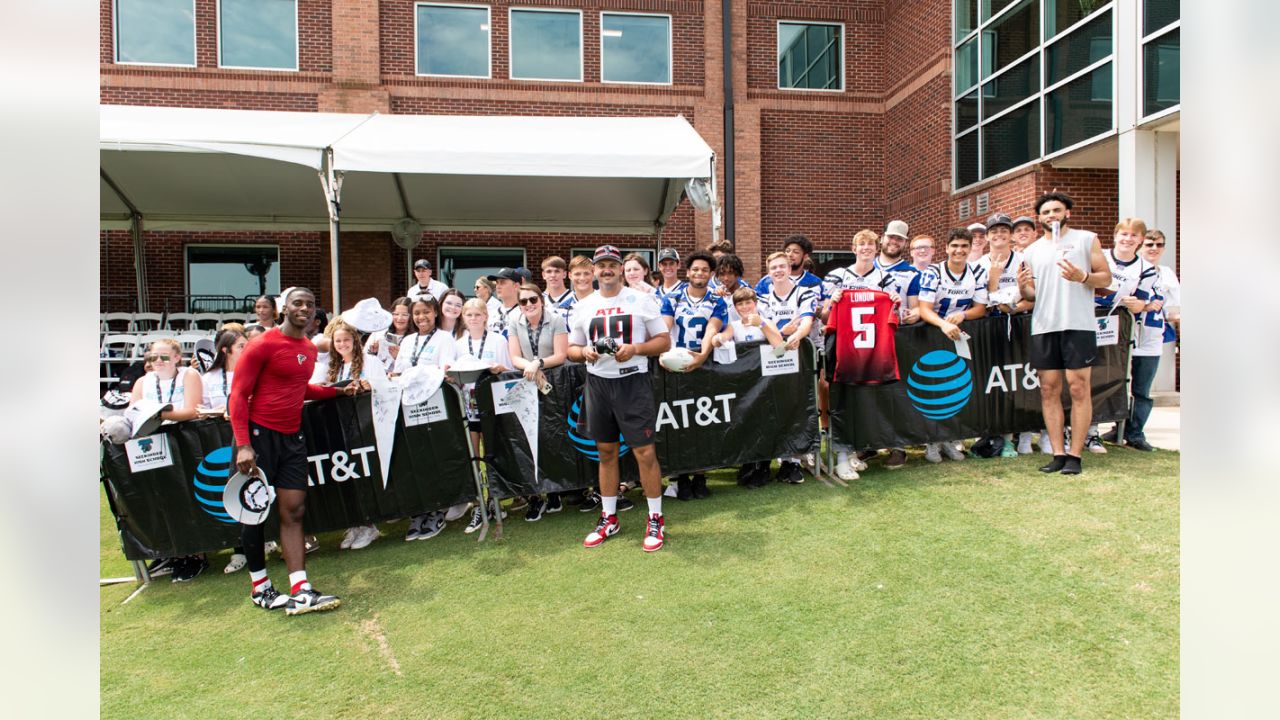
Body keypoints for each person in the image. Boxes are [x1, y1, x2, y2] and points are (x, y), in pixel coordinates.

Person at [229, 287, 359, 614]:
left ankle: (300, 588)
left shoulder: (309, 349)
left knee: (294, 511)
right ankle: (260, 587)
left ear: (316, 313)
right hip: (258, 439)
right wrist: (244, 444)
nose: (304, 308)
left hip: (292, 438)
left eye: (310, 305)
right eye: (297, 303)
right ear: (283, 308)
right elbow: (238, 395)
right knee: (254, 512)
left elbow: (301, 389)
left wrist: (339, 391)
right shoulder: (262, 344)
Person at [567, 245, 672, 552]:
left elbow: (663, 341)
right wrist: (584, 352)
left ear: (621, 269)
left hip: (632, 384)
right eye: (602, 265)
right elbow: (572, 349)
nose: (607, 270)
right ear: (594, 270)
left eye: (613, 264)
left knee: (644, 452)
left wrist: (635, 349)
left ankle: (655, 518)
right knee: (606, 452)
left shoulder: (641, 299)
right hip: (598, 384)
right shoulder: (583, 305)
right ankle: (609, 516)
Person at [1016, 191, 1112, 475]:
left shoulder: (1086, 239)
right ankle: (1057, 453)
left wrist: (1082, 277)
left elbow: (1105, 277)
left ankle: (1075, 455)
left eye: (1057, 210)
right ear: (1040, 218)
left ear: (1067, 213)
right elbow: (1033, 294)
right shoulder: (1032, 251)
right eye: (1046, 213)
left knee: (1079, 388)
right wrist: (1023, 288)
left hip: (1078, 324)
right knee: (1048, 390)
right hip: (1045, 326)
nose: (1052, 216)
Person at [820, 229, 902, 480]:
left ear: (876, 249)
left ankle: (856, 451)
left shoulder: (885, 278)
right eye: (861, 244)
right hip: (844, 349)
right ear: (853, 248)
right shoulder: (837, 276)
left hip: (873, 352)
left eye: (870, 245)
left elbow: (896, 316)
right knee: (842, 400)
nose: (866, 248)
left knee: (867, 402)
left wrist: (896, 303)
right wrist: (831, 303)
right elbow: (823, 316)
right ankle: (841, 457)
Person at [131, 338, 208, 582]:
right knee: (161, 499)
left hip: (184, 443)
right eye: (154, 357)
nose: (159, 362)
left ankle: (196, 553)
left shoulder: (189, 375)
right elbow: (133, 412)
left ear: (177, 357)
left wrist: (157, 414)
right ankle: (173, 553)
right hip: (151, 447)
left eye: (164, 356)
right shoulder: (143, 382)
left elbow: (193, 409)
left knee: (188, 497)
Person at [312, 320, 386, 551]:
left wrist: (368, 385)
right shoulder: (332, 367)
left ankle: (369, 525)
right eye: (338, 341)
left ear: (355, 340)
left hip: (364, 427)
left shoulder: (370, 362)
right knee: (347, 479)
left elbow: (383, 386)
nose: (342, 344)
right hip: (339, 429)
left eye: (346, 339)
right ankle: (354, 524)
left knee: (365, 476)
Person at [661, 250, 729, 501]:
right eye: (695, 269)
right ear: (687, 272)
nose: (699, 273)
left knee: (702, 423)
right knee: (677, 424)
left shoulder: (716, 300)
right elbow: (665, 326)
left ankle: (700, 476)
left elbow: (713, 327)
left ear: (711, 274)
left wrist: (701, 355)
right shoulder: (673, 297)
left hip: (703, 365)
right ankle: (680, 477)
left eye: (704, 270)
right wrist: (666, 354)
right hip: (675, 365)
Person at [1093, 218, 1164, 453]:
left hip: (1125, 333)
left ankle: (1132, 432)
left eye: (1134, 236)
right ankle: (1092, 431)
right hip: (1092, 326)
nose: (1128, 239)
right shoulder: (1100, 256)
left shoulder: (1147, 269)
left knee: (1137, 387)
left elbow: (1142, 301)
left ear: (1140, 240)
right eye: (1124, 234)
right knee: (1099, 381)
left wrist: (1139, 304)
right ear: (1115, 235)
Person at [918, 228, 989, 464]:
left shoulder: (978, 271)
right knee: (933, 389)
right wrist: (943, 325)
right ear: (947, 248)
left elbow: (981, 308)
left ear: (970, 249)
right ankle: (932, 440)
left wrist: (963, 315)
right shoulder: (933, 272)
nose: (959, 250)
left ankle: (949, 438)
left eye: (964, 246)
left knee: (956, 387)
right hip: (933, 333)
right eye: (955, 246)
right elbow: (925, 309)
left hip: (958, 334)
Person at [393, 295, 459, 540]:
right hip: (409, 408)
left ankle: (438, 509)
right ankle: (419, 511)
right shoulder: (408, 340)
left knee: (435, 458)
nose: (421, 317)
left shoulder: (444, 338)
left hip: (435, 407)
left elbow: (444, 370)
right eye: (417, 313)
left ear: (435, 313)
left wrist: (420, 374)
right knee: (416, 461)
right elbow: (400, 371)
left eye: (426, 312)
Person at [506, 283, 571, 525]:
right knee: (528, 439)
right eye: (523, 301)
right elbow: (514, 356)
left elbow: (560, 355)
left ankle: (554, 490)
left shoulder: (556, 319)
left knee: (552, 437)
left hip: (553, 384)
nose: (529, 305)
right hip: (526, 383)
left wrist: (538, 363)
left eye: (533, 300)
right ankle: (535, 496)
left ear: (541, 300)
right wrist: (530, 366)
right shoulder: (514, 321)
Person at [711, 286, 785, 489]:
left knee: (765, 422)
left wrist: (762, 324)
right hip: (744, 384)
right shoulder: (734, 325)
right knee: (746, 422)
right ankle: (748, 463)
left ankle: (763, 465)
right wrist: (718, 339)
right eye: (740, 304)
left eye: (748, 302)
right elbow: (723, 337)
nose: (744, 307)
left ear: (756, 303)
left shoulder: (766, 322)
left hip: (766, 382)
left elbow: (779, 348)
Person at [976, 213, 1035, 457]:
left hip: (1022, 324)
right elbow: (981, 301)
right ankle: (1002, 438)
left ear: (1011, 234)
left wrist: (1017, 307)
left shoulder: (1023, 259)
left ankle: (1026, 435)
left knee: (1025, 381)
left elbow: (1033, 296)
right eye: (994, 231)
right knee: (997, 383)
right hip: (993, 327)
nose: (999, 235)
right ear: (987, 236)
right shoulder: (979, 264)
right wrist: (993, 281)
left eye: (1004, 230)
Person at [757, 251, 816, 484]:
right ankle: (777, 458)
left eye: (782, 266)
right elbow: (767, 326)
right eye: (774, 268)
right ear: (769, 272)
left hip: (798, 356)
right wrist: (783, 334)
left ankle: (793, 460)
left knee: (796, 407)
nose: (779, 271)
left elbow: (807, 321)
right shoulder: (763, 296)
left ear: (789, 268)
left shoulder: (804, 292)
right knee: (773, 406)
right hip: (773, 356)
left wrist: (797, 335)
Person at [201, 328, 246, 412]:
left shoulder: (254, 374)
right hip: (217, 423)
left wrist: (228, 408)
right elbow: (202, 408)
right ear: (226, 350)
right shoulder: (209, 377)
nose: (246, 350)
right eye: (241, 346)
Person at [365, 297, 413, 375]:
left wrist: (399, 357)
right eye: (396, 314)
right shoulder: (380, 332)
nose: (399, 318)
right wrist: (373, 352)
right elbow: (365, 358)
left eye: (405, 315)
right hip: (378, 378)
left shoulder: (415, 337)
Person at [556, 255, 596, 325]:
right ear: (570, 275)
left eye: (586, 273)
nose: (582, 278)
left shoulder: (605, 302)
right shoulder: (562, 308)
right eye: (577, 274)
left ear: (593, 274)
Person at [485, 267, 523, 336]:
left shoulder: (525, 313)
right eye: (497, 283)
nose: (498, 286)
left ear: (516, 286)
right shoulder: (489, 314)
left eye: (502, 282)